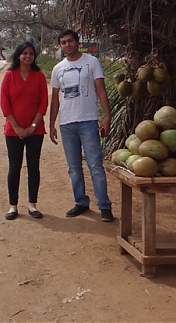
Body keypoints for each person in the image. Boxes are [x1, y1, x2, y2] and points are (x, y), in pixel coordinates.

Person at [48, 29, 114, 222]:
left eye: (70, 41)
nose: (67, 45)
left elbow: (101, 91)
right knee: (74, 167)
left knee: (95, 165)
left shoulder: (91, 62)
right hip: (67, 123)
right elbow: (55, 100)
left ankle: (104, 206)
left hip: (88, 121)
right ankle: (81, 202)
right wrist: (52, 124)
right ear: (60, 46)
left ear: (77, 42)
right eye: (63, 42)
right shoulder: (57, 68)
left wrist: (107, 117)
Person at [0, 41, 49, 220]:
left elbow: (43, 103)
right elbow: (5, 104)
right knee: (14, 167)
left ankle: (32, 205)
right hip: (13, 131)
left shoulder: (39, 77)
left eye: (31, 53)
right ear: (18, 55)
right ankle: (13, 206)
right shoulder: (9, 76)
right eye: (25, 53)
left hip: (35, 131)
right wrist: (17, 127)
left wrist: (32, 126)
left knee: (33, 167)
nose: (28, 56)